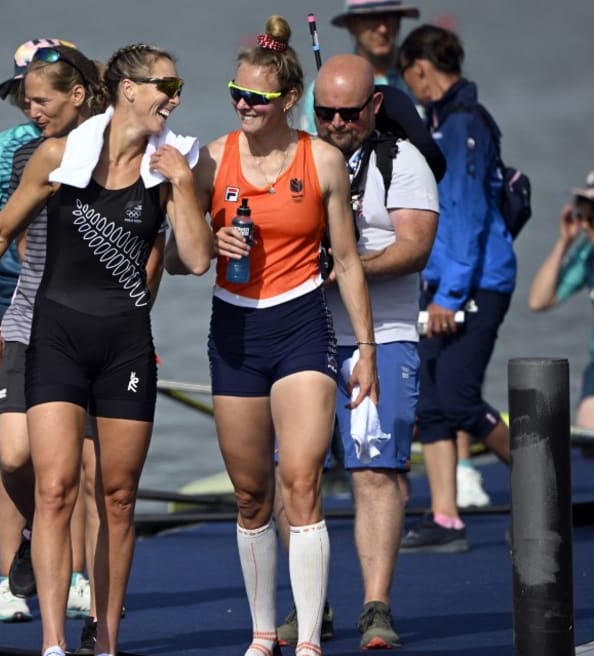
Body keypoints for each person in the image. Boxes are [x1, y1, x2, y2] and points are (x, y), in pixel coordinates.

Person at [0, 42, 212, 656]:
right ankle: (52, 643)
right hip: (54, 336)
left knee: (120, 499)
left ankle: (106, 642)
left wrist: (182, 184)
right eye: (165, 84)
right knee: (53, 490)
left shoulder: (173, 164)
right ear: (127, 89)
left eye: (177, 85)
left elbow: (198, 258)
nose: (175, 96)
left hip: (125, 344)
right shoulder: (58, 154)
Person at [170, 16, 378, 656]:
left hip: (299, 327)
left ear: (289, 101)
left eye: (257, 98)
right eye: (236, 94)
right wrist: (208, 237)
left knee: (301, 482)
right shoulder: (209, 159)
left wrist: (367, 349)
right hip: (233, 329)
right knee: (251, 494)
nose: (243, 106)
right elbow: (182, 261)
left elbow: (345, 261)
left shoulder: (322, 160)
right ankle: (263, 635)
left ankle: (310, 638)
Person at [0, 38, 95, 626]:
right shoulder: (0, 152)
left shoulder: (99, 143)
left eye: (38, 91)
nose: (29, 104)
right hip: (15, 312)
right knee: (15, 458)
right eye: (22, 93)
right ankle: (12, 570)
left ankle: (81, 576)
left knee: (80, 460)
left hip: (84, 316)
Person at [313, 53, 438, 649]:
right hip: (305, 340)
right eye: (325, 112)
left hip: (382, 338)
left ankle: (375, 607)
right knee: (296, 475)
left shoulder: (403, 160)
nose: (336, 123)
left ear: (374, 106)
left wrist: (347, 267)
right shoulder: (302, 156)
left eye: (348, 112)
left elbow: (414, 247)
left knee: (373, 472)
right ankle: (311, 607)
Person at [396, 24, 515, 554]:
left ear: (420, 68)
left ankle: (544, 488)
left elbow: (465, 217)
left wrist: (448, 297)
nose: (413, 88)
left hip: (476, 284)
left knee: (462, 398)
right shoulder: (443, 120)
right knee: (436, 404)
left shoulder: (463, 121)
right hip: (444, 282)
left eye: (409, 77)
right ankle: (446, 520)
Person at [529, 176, 594, 439]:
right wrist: (564, 242)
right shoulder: (587, 255)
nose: (586, 225)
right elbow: (539, 300)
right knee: (588, 441)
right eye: (584, 215)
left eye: (592, 217)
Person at [297, 0, 422, 135]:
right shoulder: (323, 88)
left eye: (389, 17)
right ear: (351, 24)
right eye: (372, 18)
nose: (382, 29)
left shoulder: (424, 74)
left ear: (399, 21)